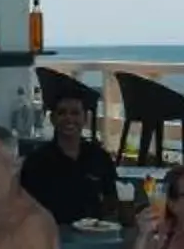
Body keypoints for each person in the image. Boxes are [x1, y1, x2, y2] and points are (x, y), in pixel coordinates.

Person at [17, 93, 120, 227]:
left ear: (85, 119)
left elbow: (112, 199)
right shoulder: (36, 161)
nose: (69, 118)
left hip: (94, 235)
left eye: (75, 113)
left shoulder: (100, 157)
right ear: (53, 119)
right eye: (62, 113)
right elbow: (25, 207)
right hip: (50, 235)